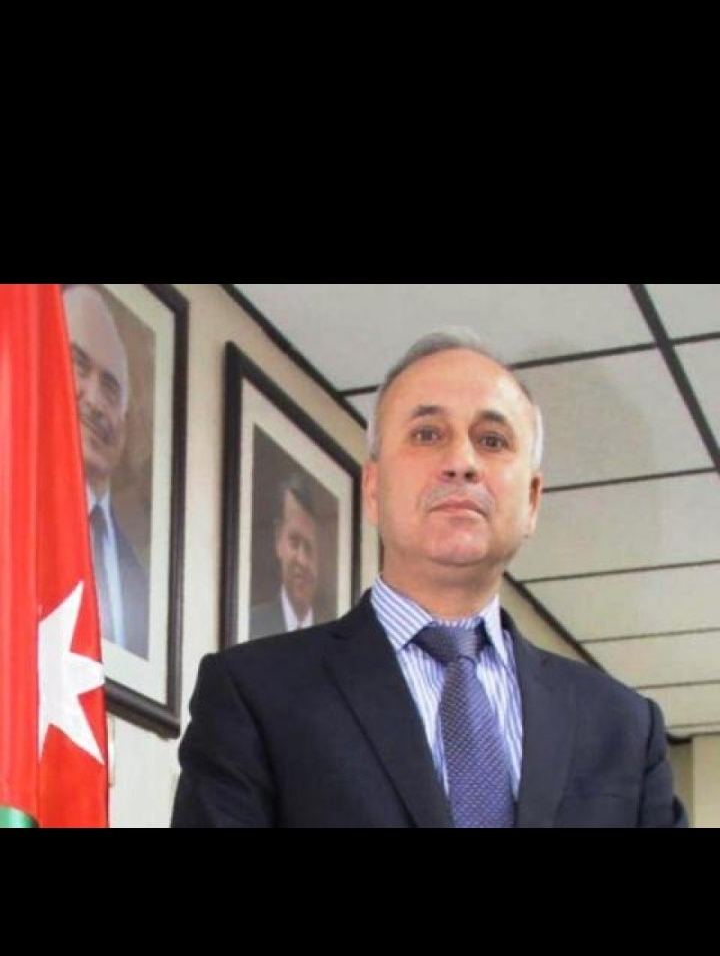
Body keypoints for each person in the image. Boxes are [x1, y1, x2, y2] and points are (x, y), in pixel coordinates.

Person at [173, 330, 687, 828]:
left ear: (532, 501)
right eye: (427, 434)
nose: (461, 462)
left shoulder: (625, 728)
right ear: (373, 489)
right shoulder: (253, 695)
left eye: (492, 440)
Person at [64, 285, 150, 660]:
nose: (96, 402)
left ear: (125, 428)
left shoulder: (141, 586)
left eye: (111, 390)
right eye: (78, 367)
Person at [250, 475, 321, 638]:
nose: (301, 559)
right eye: (294, 542)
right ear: (278, 539)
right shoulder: (251, 627)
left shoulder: (335, 641)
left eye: (309, 547)